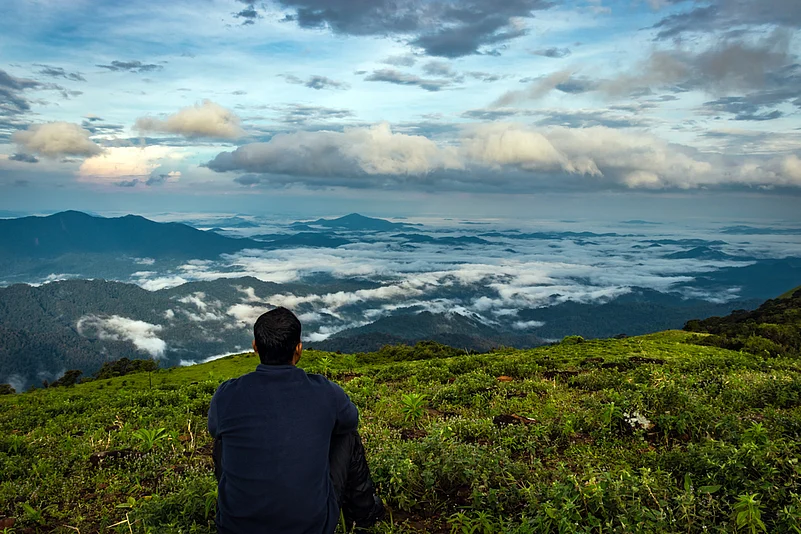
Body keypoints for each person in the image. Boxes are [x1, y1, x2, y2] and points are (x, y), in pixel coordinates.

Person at [208, 307, 384, 533]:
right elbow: (351, 421)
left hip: (234, 529)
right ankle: (364, 514)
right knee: (347, 437)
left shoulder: (226, 394)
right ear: (299, 349)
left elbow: (214, 429)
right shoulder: (326, 392)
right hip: (312, 527)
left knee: (222, 440)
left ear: (255, 347)